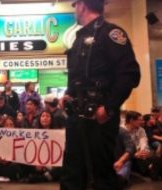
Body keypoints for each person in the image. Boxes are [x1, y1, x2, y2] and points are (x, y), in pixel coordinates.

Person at [60, 0, 141, 189]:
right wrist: (69, 93)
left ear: (82, 5)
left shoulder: (110, 33)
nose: (74, 9)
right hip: (76, 115)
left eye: (75, 5)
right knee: (71, 172)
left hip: (99, 116)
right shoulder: (79, 37)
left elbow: (129, 75)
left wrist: (109, 107)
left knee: (101, 175)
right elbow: (78, 75)